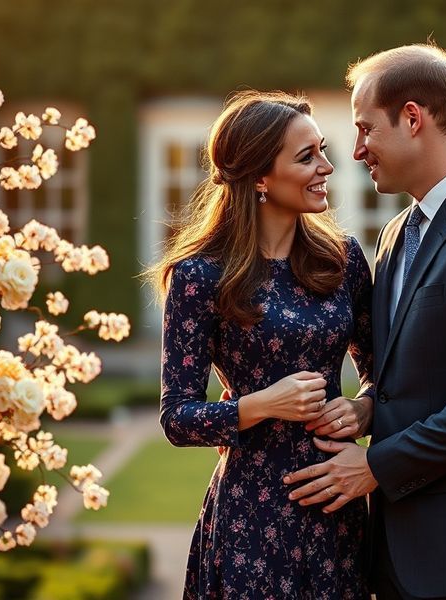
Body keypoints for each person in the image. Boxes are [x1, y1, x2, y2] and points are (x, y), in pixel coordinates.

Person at [285, 45, 446, 599]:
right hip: (395, 549)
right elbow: (408, 372)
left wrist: (375, 467)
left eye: (364, 130)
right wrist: (365, 406)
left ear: (412, 118)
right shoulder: (398, 231)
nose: (355, 151)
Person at [151, 91, 375, 600]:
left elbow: (385, 373)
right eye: (306, 157)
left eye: (322, 150)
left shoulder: (344, 262)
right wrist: (261, 404)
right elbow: (176, 418)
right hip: (250, 519)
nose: (326, 167)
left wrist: (363, 410)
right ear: (258, 178)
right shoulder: (199, 277)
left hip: (339, 504)